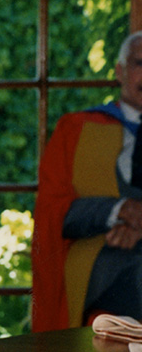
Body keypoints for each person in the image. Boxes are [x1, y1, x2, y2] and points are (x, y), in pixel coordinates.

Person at [32, 31, 142, 331]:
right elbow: (54, 213)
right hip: (101, 261)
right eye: (140, 63)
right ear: (119, 71)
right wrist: (120, 210)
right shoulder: (76, 130)